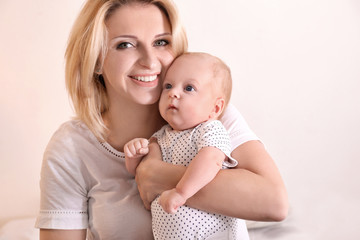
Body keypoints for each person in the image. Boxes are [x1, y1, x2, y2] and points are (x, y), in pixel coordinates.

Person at [35, 0, 288, 239]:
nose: (149, 61)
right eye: (125, 44)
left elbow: (274, 203)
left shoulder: (209, 115)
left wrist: (158, 175)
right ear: (97, 59)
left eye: (161, 42)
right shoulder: (71, 147)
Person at [125, 52, 249, 239]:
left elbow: (211, 160)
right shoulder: (161, 136)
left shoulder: (210, 129)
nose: (173, 93)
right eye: (168, 86)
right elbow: (143, 175)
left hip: (213, 234)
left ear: (215, 108)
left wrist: (181, 193)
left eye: (189, 88)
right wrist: (133, 157)